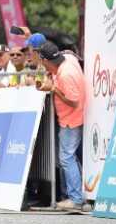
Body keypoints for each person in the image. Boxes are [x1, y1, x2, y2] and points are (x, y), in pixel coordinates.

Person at [36, 41, 86, 211]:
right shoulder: (68, 59)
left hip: (71, 119)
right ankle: (79, 196)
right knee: (70, 157)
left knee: (66, 157)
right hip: (70, 118)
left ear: (45, 59)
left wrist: (54, 89)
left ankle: (76, 199)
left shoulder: (66, 74)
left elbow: (73, 101)